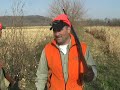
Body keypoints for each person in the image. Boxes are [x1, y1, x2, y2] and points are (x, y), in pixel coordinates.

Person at [35, 14, 97, 90]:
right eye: (54, 30)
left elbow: (93, 70)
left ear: (68, 29)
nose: (57, 34)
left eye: (60, 29)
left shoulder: (83, 48)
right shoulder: (47, 49)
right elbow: (41, 74)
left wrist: (91, 75)